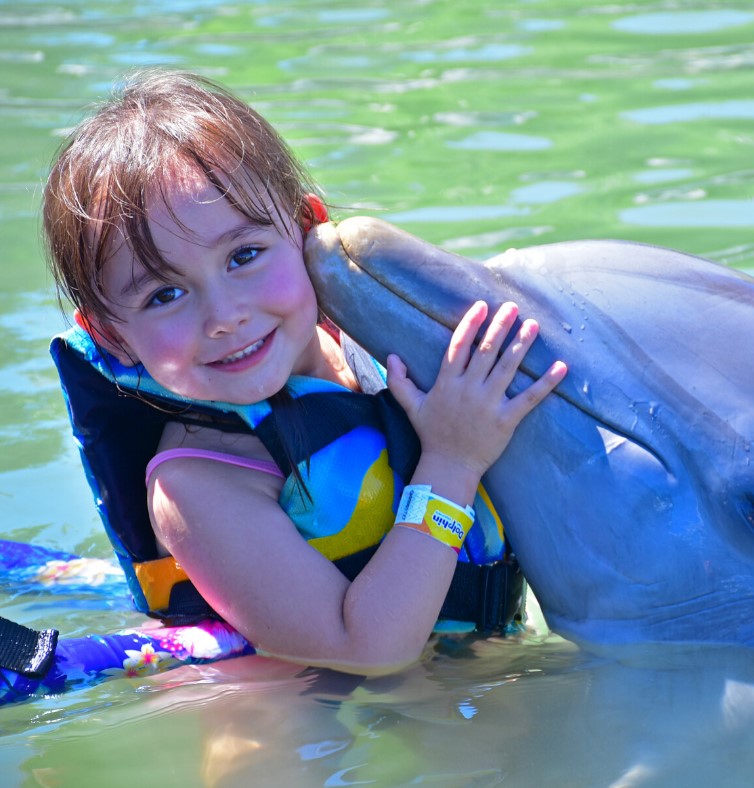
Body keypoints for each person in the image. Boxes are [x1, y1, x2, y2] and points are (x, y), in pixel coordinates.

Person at [42, 69, 567, 676]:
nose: (225, 316)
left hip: (471, 663)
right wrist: (452, 462)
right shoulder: (199, 483)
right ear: (110, 335)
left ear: (307, 230)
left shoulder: (374, 342)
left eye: (244, 256)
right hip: (306, 701)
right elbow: (369, 651)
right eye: (163, 295)